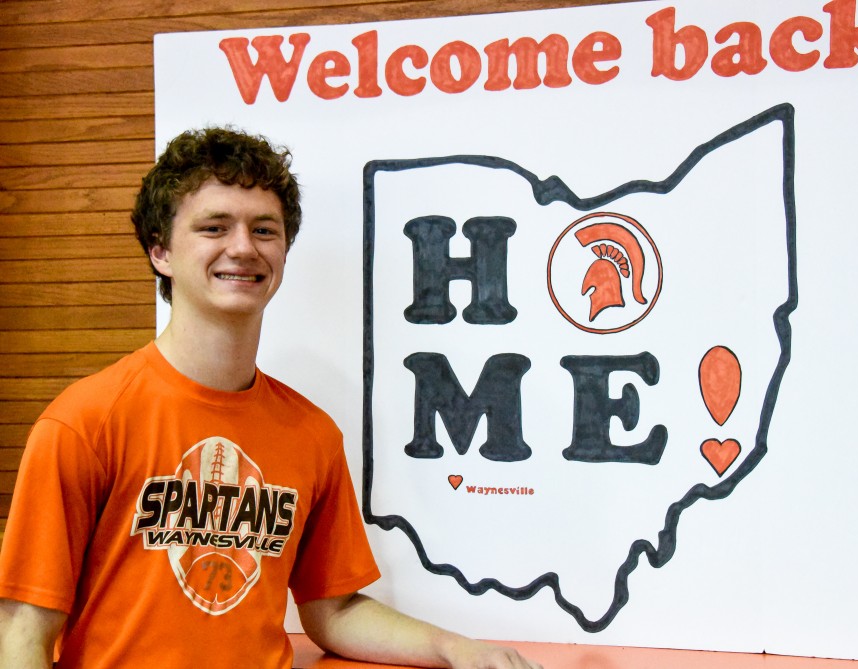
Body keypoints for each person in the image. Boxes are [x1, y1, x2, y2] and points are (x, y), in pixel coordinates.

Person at [0, 128, 541, 669]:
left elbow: (334, 609)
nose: (243, 247)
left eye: (264, 229)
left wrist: (456, 648)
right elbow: (24, 626)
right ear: (160, 251)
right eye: (214, 227)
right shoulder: (84, 422)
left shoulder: (311, 434)